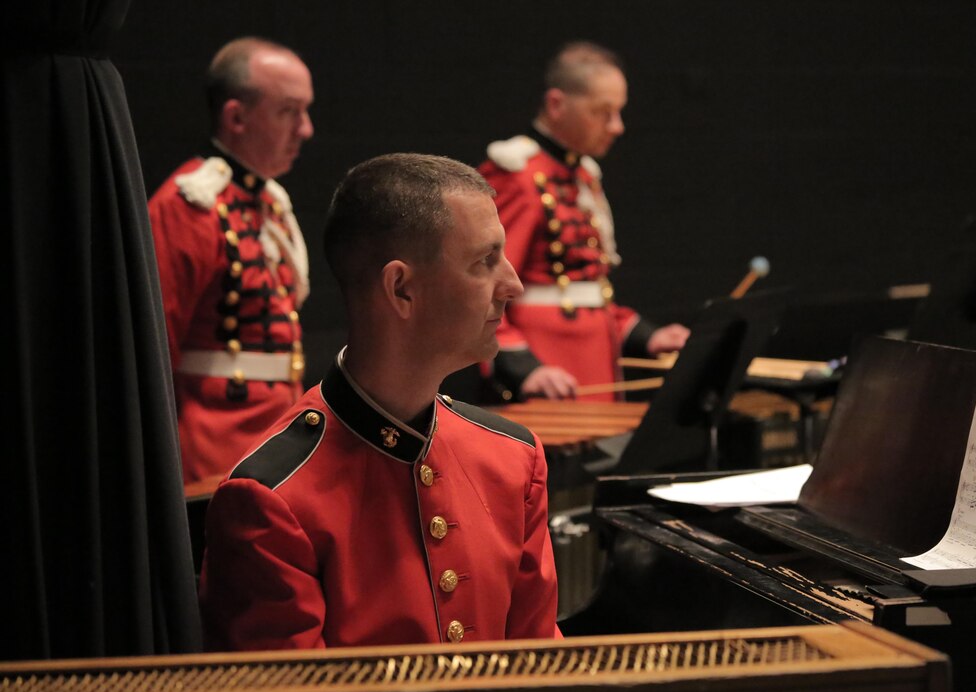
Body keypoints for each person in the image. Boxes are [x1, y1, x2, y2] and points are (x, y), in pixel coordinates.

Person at [199, 153, 562, 650]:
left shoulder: (515, 460)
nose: (513, 285)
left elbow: (546, 670)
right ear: (401, 288)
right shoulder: (273, 500)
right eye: (486, 261)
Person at [479, 41, 689, 401]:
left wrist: (645, 335)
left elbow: (584, 287)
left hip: (595, 371)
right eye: (602, 112)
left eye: (619, 112)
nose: (617, 126)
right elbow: (483, 286)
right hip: (548, 375)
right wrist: (523, 367)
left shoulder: (584, 177)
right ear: (556, 104)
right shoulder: (519, 176)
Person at [148, 37, 315, 487]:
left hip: (276, 430)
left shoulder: (268, 202)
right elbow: (155, 349)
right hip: (212, 445)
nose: (306, 129)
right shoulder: (188, 205)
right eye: (289, 111)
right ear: (236, 117)